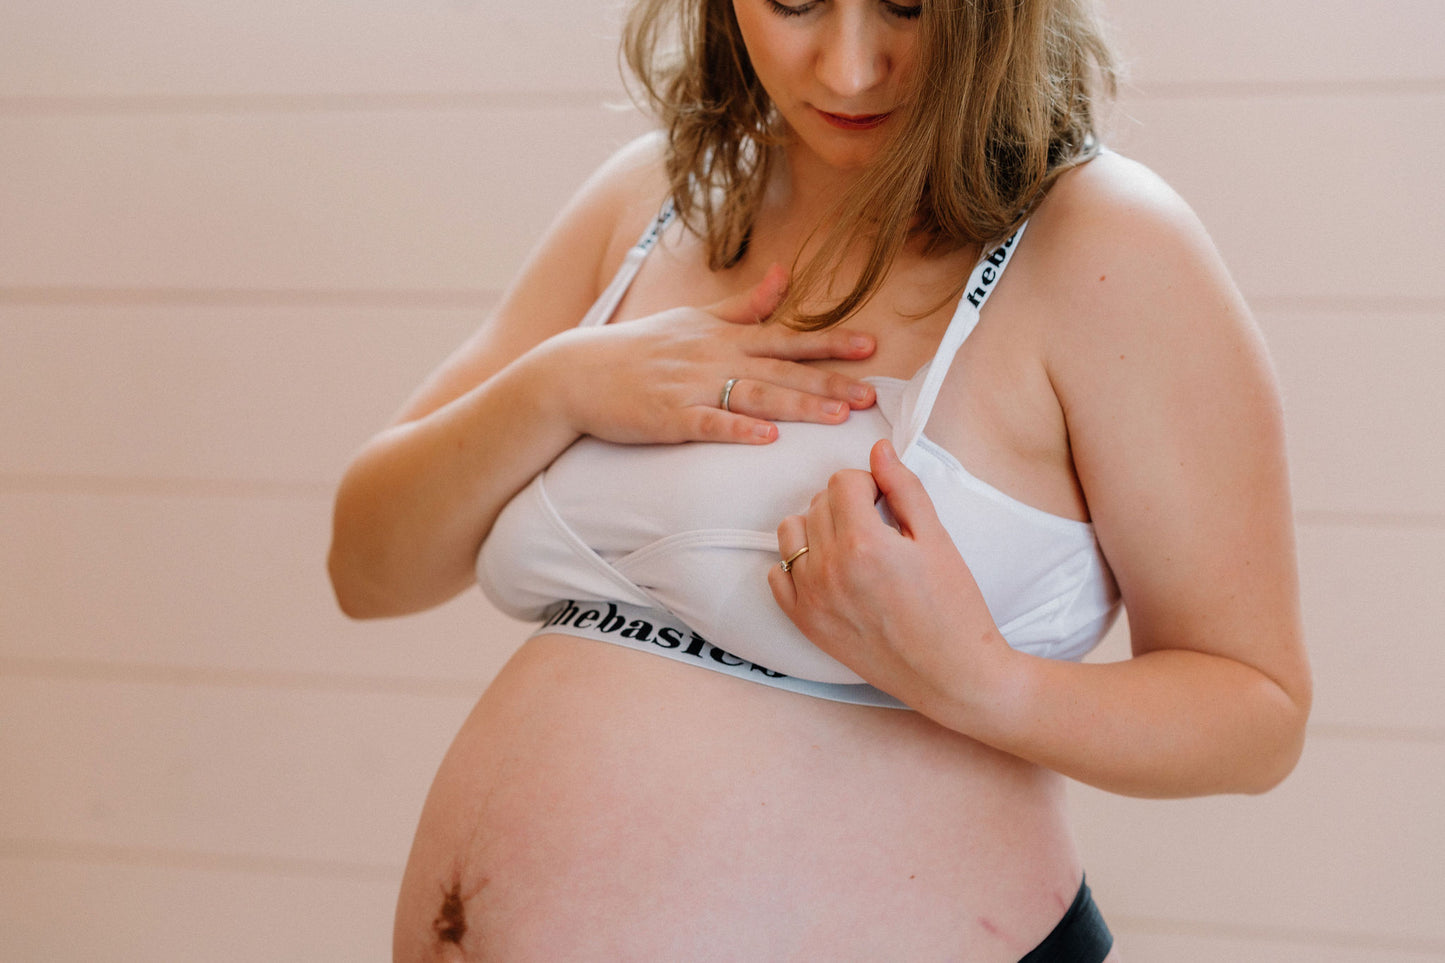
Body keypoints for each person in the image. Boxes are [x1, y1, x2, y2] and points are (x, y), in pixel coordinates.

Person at [328, 0, 1311, 958]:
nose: (847, 67)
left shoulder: (1105, 242)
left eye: (904, 5)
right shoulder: (657, 198)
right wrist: (560, 386)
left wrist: (984, 685)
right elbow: (368, 571)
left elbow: (1255, 713)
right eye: (794, 2)